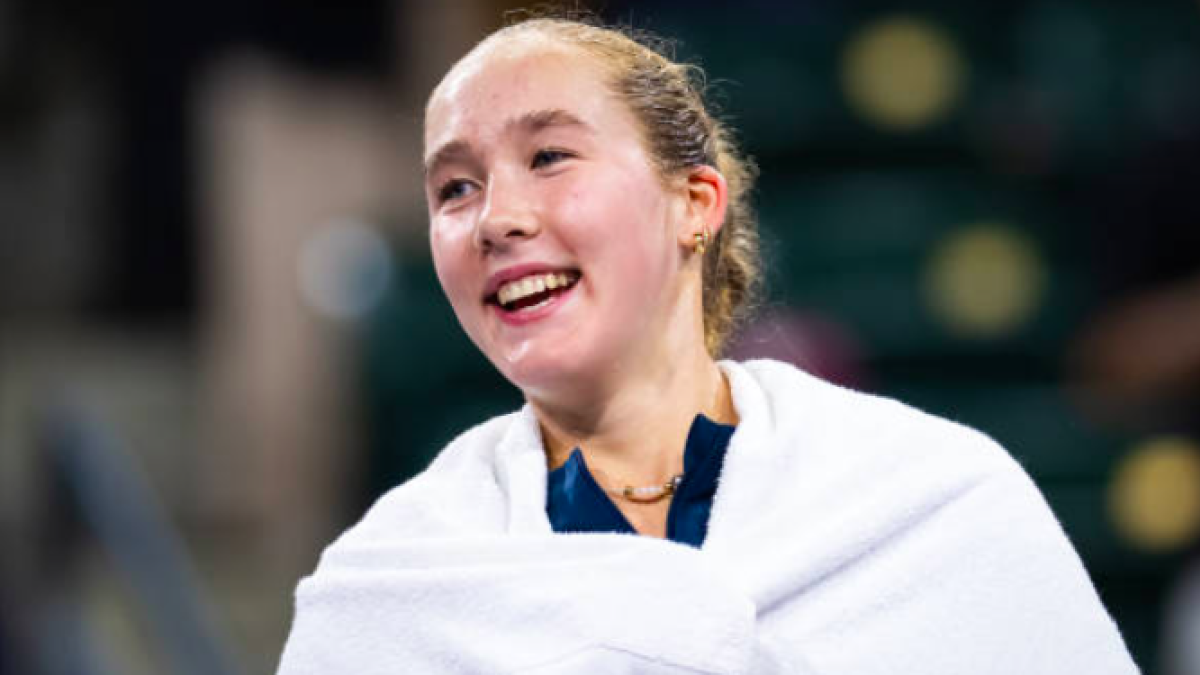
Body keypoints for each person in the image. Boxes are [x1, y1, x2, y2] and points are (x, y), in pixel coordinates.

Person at [277, 14, 1137, 675]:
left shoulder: (932, 503)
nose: (497, 218)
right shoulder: (395, 582)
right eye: (455, 187)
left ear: (695, 202)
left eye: (549, 156)